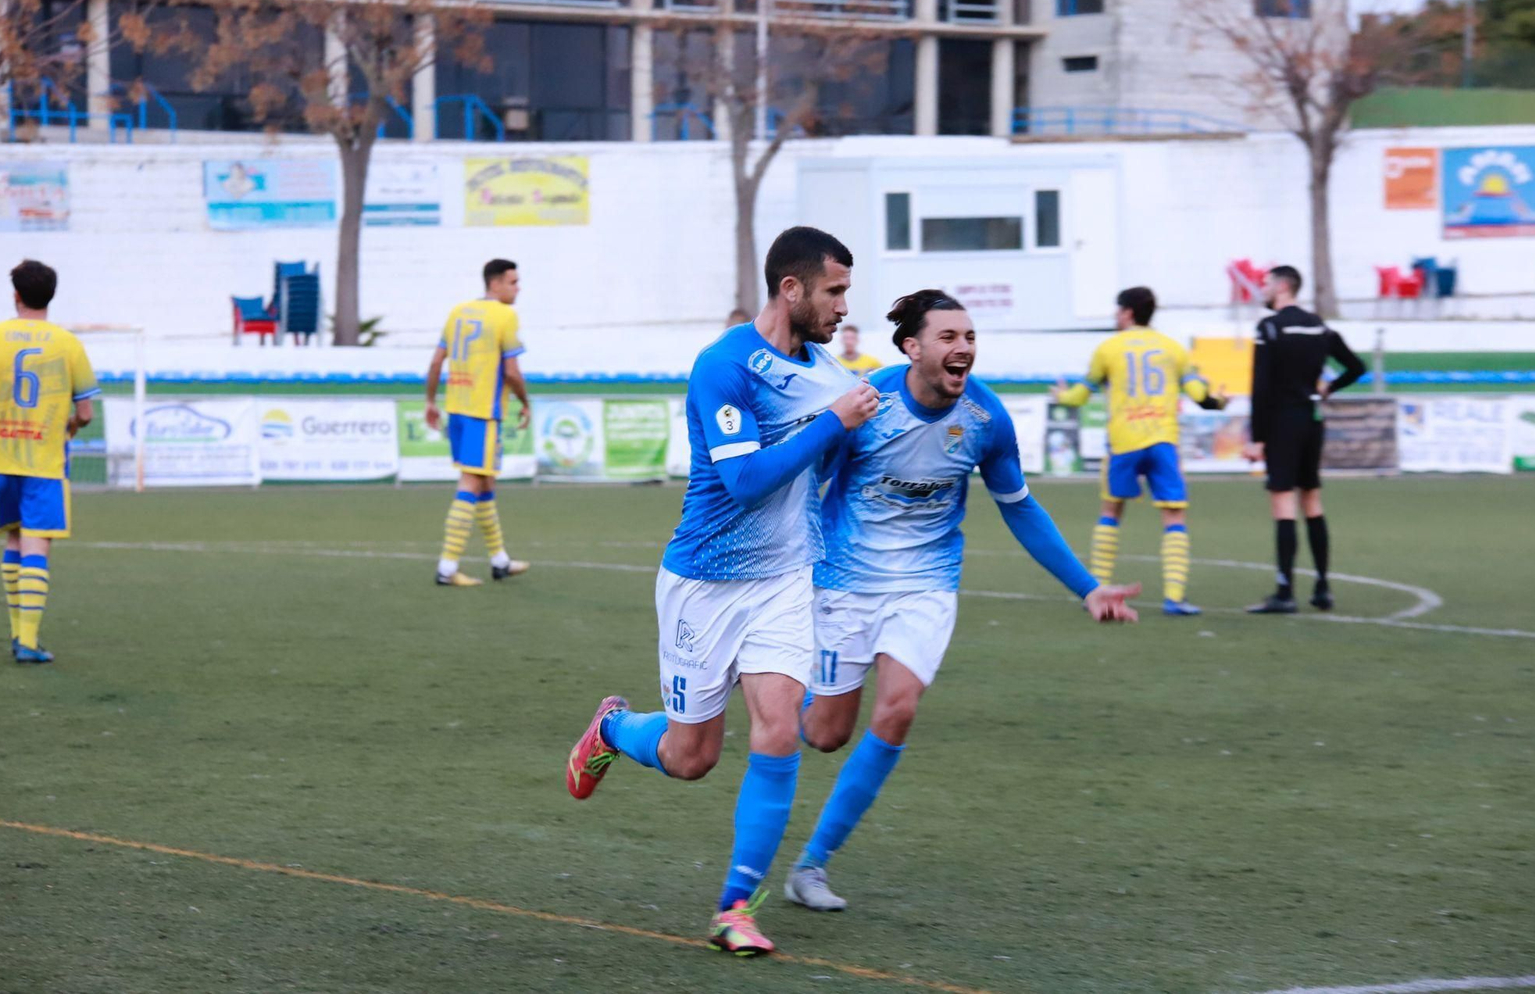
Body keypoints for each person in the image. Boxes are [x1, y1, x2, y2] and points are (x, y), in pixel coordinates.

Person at [563, 226, 880, 957]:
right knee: (691, 757)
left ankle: (736, 907)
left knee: (779, 727)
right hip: (704, 584)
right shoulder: (724, 367)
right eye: (833, 291)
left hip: (784, 583)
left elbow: (849, 458)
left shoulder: (832, 376)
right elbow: (743, 481)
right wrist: (833, 422)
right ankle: (612, 729)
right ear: (791, 289)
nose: (842, 307)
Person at [785, 290, 1139, 912]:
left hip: (927, 586)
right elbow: (805, 486)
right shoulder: (865, 403)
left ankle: (811, 865)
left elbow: (1020, 507)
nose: (964, 348)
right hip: (844, 584)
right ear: (912, 347)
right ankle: (770, 681)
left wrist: (1088, 587)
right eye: (948, 337)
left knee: (897, 710)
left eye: (970, 337)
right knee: (825, 734)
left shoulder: (985, 418)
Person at [1052, 287, 1225, 616]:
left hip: (1124, 442)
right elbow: (1200, 395)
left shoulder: (1108, 348)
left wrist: (1061, 396)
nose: (1115, 316)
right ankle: (1174, 598)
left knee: (1111, 511)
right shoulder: (1173, 348)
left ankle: (1096, 591)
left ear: (1128, 312)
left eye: (1118, 310)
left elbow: (1079, 397)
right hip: (1163, 441)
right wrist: (1218, 400)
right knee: (1174, 516)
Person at [0, 260, 101, 664]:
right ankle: (27, 641)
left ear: (16, 295)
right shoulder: (68, 344)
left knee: (13, 539)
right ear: (51, 296)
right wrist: (72, 425)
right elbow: (86, 412)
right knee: (36, 545)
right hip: (44, 461)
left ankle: (17, 632)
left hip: (1, 458)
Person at [1241, 265, 1367, 613]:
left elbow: (1260, 387)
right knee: (1311, 500)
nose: (1262, 289)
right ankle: (1323, 587)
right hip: (1312, 420)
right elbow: (1356, 366)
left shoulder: (1269, 328)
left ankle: (1285, 593)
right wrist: (1328, 387)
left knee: (1283, 503)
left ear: (1283, 286)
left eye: (1266, 283)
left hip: (1282, 423)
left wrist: (1257, 438)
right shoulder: (1318, 326)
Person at [423, 258, 532, 587]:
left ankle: (499, 562)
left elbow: (436, 362)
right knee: (471, 483)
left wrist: (430, 401)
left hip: (457, 409)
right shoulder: (504, 315)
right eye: (513, 282)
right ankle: (446, 568)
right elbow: (512, 372)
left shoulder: (458, 312)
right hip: (482, 413)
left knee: (485, 485)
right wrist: (526, 403)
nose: (518, 288)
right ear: (495, 283)